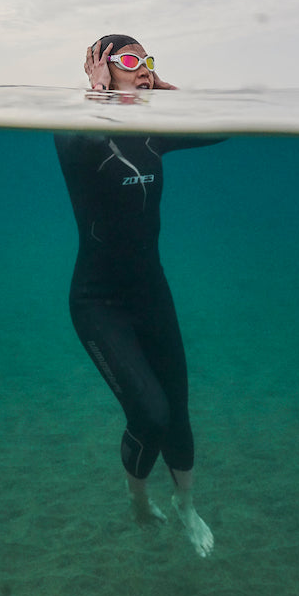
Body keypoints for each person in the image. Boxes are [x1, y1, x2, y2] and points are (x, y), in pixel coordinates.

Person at [54, 35, 221, 557]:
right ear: (101, 67)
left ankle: (187, 507)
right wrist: (98, 95)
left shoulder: (153, 132)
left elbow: (228, 130)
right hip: (97, 300)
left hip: (152, 292)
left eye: (149, 61)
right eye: (131, 61)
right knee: (150, 414)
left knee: (179, 411)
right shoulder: (72, 131)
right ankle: (137, 498)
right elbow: (81, 138)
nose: (144, 69)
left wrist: (177, 98)